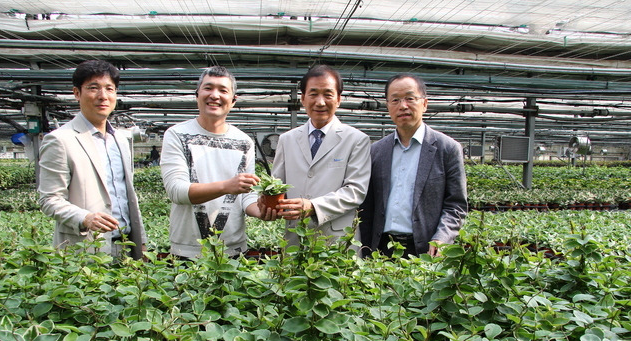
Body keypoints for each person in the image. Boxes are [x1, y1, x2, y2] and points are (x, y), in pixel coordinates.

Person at [38, 59, 146, 259]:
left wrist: (142, 241)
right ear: (77, 93)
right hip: (85, 250)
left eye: (109, 89)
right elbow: (49, 199)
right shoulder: (60, 140)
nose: (103, 96)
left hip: (127, 247)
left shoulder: (121, 140)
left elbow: (128, 196)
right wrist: (85, 217)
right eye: (93, 88)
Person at [359, 73, 468, 258]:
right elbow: (367, 207)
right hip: (381, 249)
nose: (403, 106)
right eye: (395, 100)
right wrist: (365, 250)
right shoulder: (376, 151)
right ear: (388, 106)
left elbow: (455, 204)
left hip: (425, 249)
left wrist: (442, 237)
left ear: (424, 103)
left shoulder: (447, 149)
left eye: (410, 98)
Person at [161, 66, 263, 259]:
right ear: (197, 94)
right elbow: (176, 190)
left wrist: (262, 210)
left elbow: (246, 196)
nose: (215, 95)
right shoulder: (177, 135)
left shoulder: (244, 142)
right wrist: (227, 186)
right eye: (208, 88)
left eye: (223, 90)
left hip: (233, 250)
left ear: (233, 101)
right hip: (188, 251)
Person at [267, 65, 371, 245]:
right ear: (303, 99)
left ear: (338, 99)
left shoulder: (356, 140)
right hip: (295, 238)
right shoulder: (287, 139)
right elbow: (276, 185)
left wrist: (313, 206)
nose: (320, 102)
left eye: (328, 94)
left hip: (336, 240)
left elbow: (355, 191)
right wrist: (268, 203)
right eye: (313, 94)